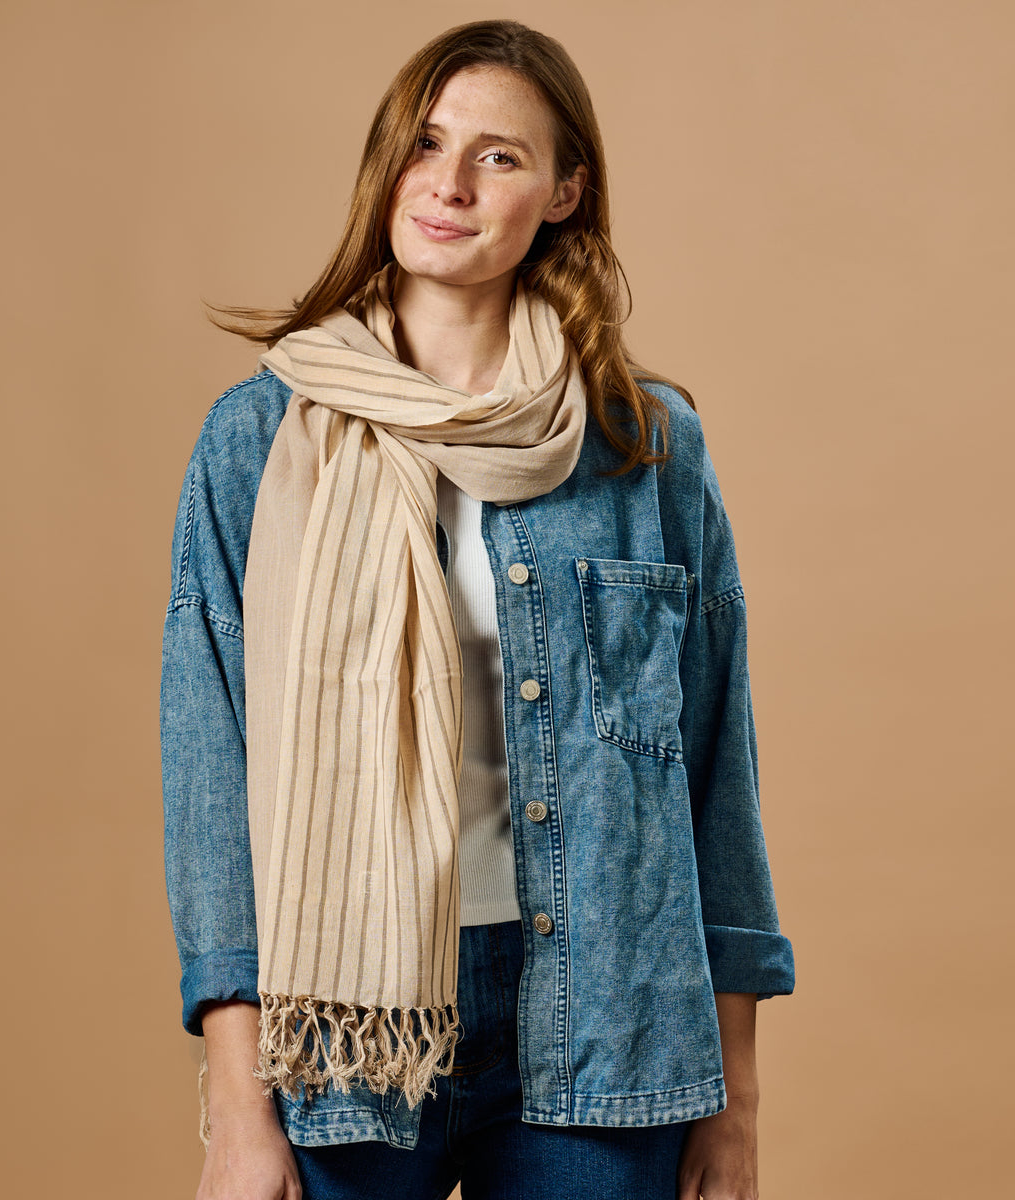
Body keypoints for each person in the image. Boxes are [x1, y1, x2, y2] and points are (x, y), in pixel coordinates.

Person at [160, 18, 794, 1200]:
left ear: (565, 192)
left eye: (498, 156)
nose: (448, 184)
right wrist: (239, 1111)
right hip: (347, 1033)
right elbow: (211, 785)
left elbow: (717, 774)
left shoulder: (644, 447)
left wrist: (735, 1099)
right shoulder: (257, 442)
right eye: (426, 143)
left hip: (608, 1021)